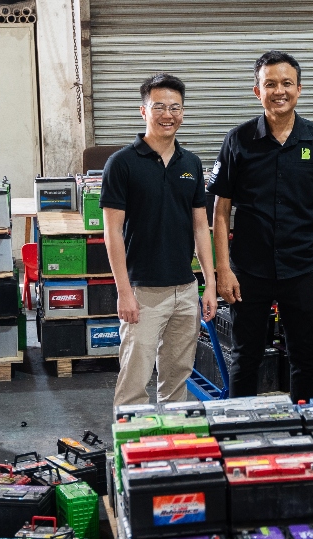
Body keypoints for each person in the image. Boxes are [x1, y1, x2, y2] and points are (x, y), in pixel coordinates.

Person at [207, 51, 313, 402]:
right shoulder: (238, 140)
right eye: (270, 84)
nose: (279, 91)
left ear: (299, 89)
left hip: (301, 268)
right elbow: (221, 209)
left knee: (305, 356)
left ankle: (303, 430)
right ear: (257, 91)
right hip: (249, 271)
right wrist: (222, 269)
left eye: (287, 83)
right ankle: (242, 433)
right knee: (246, 357)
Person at [100, 73, 216, 406]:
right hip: (143, 292)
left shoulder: (191, 163)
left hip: (184, 289)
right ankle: (130, 451)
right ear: (144, 111)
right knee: (134, 382)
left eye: (175, 107)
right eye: (159, 106)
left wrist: (208, 283)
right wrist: (124, 292)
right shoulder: (121, 164)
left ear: (183, 112)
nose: (168, 114)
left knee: (177, 379)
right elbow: (112, 233)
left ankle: (169, 447)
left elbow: (200, 227)